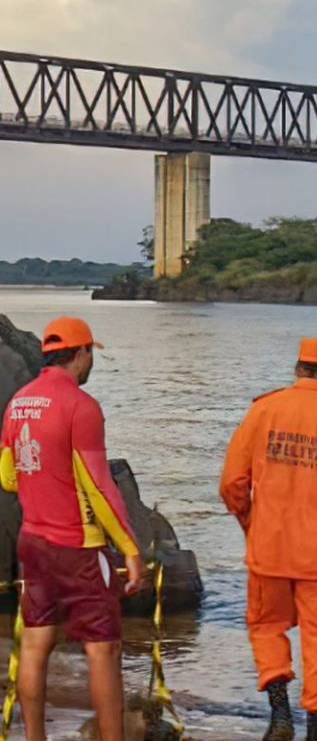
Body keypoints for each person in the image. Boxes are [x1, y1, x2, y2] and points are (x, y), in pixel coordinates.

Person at [220, 337, 317, 741]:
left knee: (266, 627)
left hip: (268, 547)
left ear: (297, 369)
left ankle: (279, 714)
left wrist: (251, 523)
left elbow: (232, 484)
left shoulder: (263, 410)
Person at [0, 316, 144, 741]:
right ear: (81, 354)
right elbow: (100, 486)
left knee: (34, 643)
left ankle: (34, 738)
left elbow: (8, 476)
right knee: (103, 649)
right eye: (90, 354)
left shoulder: (20, 401)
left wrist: (42, 475)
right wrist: (130, 549)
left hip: (33, 542)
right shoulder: (80, 406)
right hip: (77, 545)